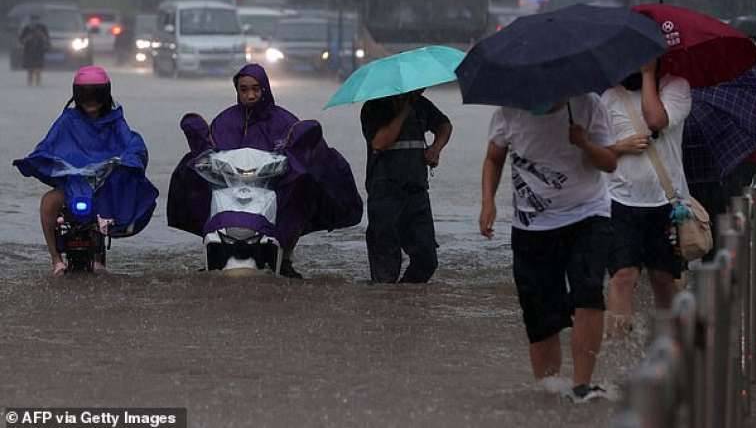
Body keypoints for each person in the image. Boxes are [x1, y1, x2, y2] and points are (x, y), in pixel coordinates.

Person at [479, 95, 617, 402]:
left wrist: (584, 143)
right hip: (533, 226)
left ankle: (582, 386)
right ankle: (550, 390)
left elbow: (609, 162)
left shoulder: (588, 105)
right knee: (540, 312)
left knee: (588, 291)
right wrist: (487, 202)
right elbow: (493, 158)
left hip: (587, 213)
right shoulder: (509, 110)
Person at [168, 63, 362, 278]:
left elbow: (302, 147)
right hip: (230, 187)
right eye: (244, 89)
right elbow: (210, 152)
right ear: (237, 91)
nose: (250, 95)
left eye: (255, 89)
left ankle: (285, 256)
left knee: (298, 195)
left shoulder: (284, 121)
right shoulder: (224, 121)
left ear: (265, 89)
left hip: (274, 188)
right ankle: (214, 250)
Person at [13, 66, 159, 277]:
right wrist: (37, 159)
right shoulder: (67, 121)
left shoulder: (116, 122)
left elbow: (132, 143)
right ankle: (56, 259)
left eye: (95, 94)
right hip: (71, 186)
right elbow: (47, 144)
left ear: (105, 94)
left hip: (103, 188)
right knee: (47, 204)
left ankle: (99, 258)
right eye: (85, 95)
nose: (90, 100)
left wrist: (130, 158)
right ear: (77, 95)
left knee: (111, 209)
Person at [600, 61, 691, 335]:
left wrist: (648, 74)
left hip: (668, 203)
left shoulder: (677, 87)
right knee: (622, 277)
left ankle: (671, 347)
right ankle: (619, 349)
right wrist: (620, 147)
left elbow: (656, 120)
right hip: (619, 202)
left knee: (664, 278)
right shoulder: (610, 96)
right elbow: (595, 152)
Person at [360, 89, 452, 283]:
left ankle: (406, 303)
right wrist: (403, 111)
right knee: (385, 269)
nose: (422, 89)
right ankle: (385, 306)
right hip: (385, 194)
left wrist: (435, 149)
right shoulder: (373, 106)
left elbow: (445, 125)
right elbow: (380, 142)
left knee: (427, 260)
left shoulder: (421, 104)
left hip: (417, 192)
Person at [18, 14, 50, 86]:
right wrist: (27, 38)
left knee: (38, 68)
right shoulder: (26, 28)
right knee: (30, 69)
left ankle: (38, 83)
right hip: (29, 50)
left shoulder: (43, 28)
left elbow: (47, 39)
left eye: (36, 20)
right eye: (33, 20)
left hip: (39, 50)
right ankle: (30, 83)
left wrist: (42, 36)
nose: (34, 22)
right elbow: (21, 40)